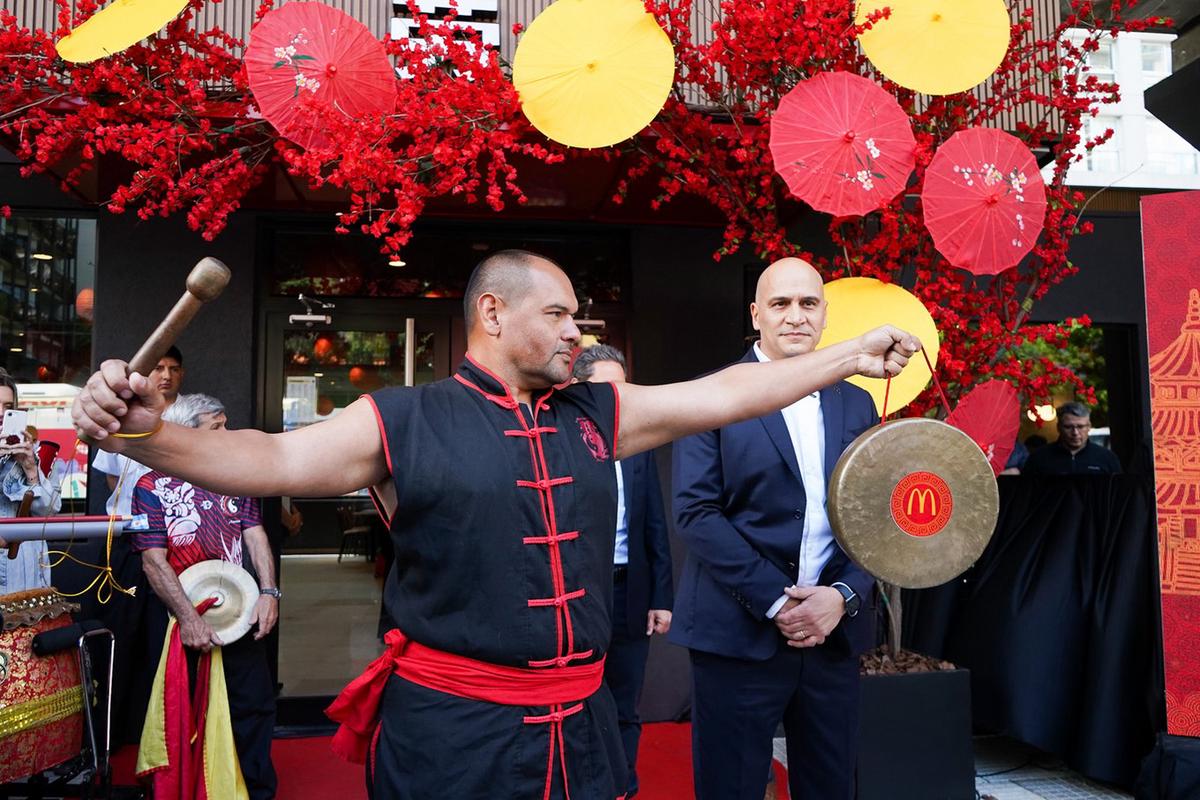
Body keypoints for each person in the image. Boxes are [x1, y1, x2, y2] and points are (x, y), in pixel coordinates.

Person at [72, 249, 919, 800]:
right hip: (451, 736)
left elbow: (726, 392)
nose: (573, 331)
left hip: (581, 730)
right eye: (556, 314)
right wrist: (149, 432)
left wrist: (847, 356)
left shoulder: (594, 411)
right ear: (492, 315)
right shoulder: (404, 417)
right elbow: (274, 460)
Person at [671, 257, 879, 800]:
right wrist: (781, 604)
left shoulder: (858, 403)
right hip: (737, 636)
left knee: (831, 788)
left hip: (833, 637)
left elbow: (876, 518)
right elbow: (696, 512)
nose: (795, 317)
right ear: (756, 314)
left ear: (825, 316)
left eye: (808, 303)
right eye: (781, 304)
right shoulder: (711, 393)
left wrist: (842, 596)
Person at [130, 393, 279, 800]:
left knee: (254, 707)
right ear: (185, 433)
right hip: (183, 620)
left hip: (240, 610)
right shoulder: (149, 485)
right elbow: (153, 562)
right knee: (187, 717)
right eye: (217, 427)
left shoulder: (235, 474)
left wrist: (268, 591)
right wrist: (189, 619)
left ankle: (256, 792)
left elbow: (255, 533)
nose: (227, 433)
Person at [572, 345, 673, 799]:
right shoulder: (559, 445)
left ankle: (622, 788)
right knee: (576, 703)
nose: (617, 398)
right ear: (577, 390)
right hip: (577, 595)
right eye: (605, 389)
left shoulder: (637, 445)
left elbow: (654, 524)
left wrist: (661, 598)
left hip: (629, 591)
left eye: (622, 388)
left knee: (625, 705)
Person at [92, 345, 185, 515]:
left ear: (182, 373)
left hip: (178, 522)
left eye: (174, 369)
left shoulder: (196, 414)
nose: (166, 376)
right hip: (127, 522)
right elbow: (112, 474)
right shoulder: (122, 412)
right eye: (158, 368)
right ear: (145, 373)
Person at [0, 368, 64, 593]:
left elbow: (49, 513)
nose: (1, 413)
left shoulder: (38, 456)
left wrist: (30, 467)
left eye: (8, 407)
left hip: (26, 575)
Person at [1023, 401, 1122, 475]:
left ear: (1089, 427)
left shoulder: (1106, 458)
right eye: (1068, 427)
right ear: (1059, 427)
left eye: (1080, 426)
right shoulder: (1039, 458)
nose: (1075, 432)